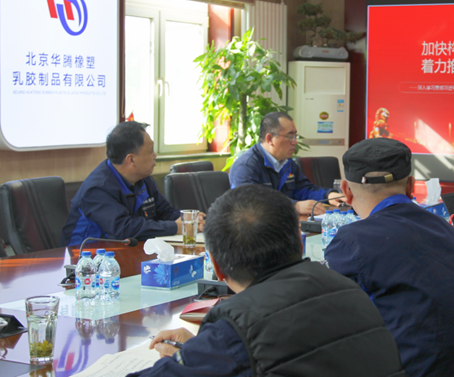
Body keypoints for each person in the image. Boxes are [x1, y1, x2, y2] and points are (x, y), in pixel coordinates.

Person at [130, 184, 405, 377]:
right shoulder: (352, 291)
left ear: (216, 267)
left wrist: (201, 352)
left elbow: (247, 345)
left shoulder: (236, 331)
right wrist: (199, 350)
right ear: (299, 243)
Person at [324, 138, 454, 377]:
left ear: (346, 191)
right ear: (411, 185)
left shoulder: (352, 240)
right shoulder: (447, 228)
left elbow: (326, 321)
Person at [61, 122, 200, 246]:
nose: (155, 155)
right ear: (131, 160)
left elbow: (164, 212)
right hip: (86, 258)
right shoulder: (97, 189)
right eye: (151, 150)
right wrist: (176, 227)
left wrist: (191, 220)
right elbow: (123, 229)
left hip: (126, 252)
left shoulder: (143, 178)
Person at [228, 112, 342, 216]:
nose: (295, 142)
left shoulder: (287, 163)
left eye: (295, 136)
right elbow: (249, 202)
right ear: (270, 139)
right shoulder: (246, 166)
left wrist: (328, 195)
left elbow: (303, 189)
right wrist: (294, 206)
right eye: (290, 136)